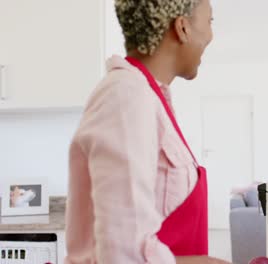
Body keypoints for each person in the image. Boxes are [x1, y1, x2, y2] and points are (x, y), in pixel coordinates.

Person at [65, 0, 229, 263]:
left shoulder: (147, 96)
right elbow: (123, 254)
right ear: (182, 27)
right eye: (209, 21)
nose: (211, 34)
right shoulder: (126, 97)